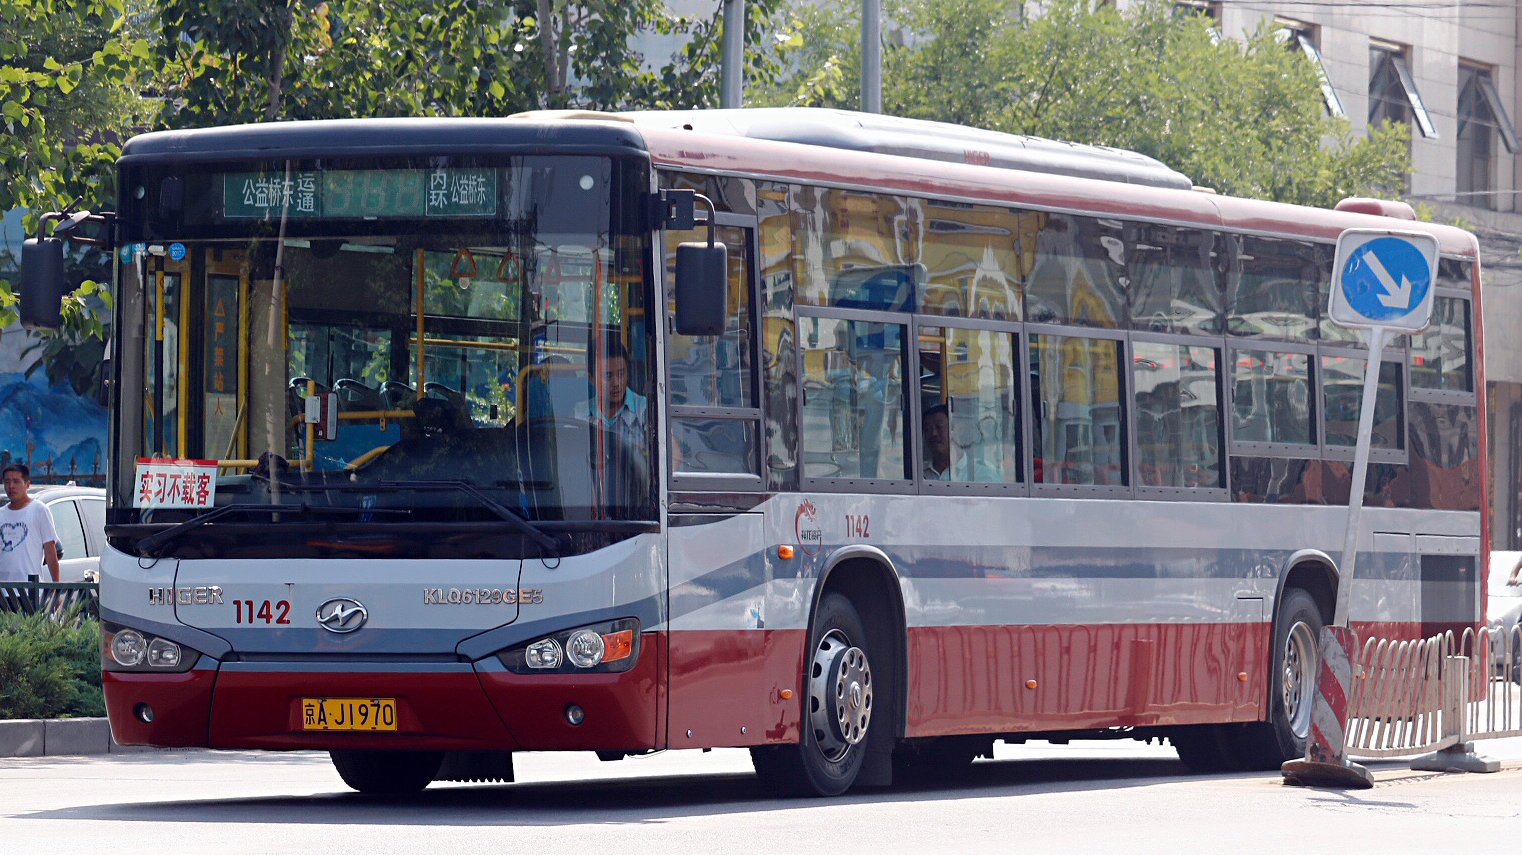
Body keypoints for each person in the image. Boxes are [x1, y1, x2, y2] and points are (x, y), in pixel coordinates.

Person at [574, 333, 648, 448]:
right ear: (591, 379)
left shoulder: (644, 408)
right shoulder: (579, 413)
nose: (616, 383)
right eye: (607, 376)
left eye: (621, 373)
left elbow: (672, 453)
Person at [0, 464, 60, 584]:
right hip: (4, 592)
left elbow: (50, 551)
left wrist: (55, 586)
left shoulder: (40, 510)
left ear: (27, 484)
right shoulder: (1, 514)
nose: (11, 486)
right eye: (7, 482)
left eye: (16, 481)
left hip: (30, 591)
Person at [922, 404, 998, 482]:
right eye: (927, 429)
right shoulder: (918, 473)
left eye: (939, 427)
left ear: (957, 429)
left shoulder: (982, 474)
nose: (933, 434)